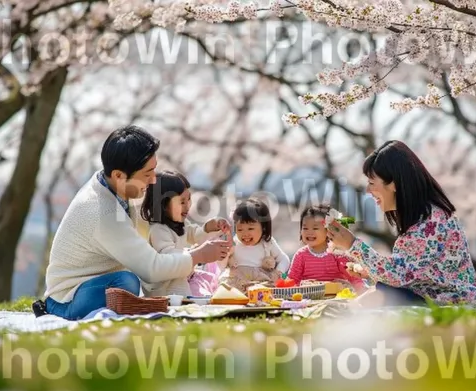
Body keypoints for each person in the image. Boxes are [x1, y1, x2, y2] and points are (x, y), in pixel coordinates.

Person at [38, 125, 231, 320]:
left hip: (90, 286)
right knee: (126, 282)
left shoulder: (111, 184)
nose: (153, 180)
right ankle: (65, 313)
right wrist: (198, 255)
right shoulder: (103, 212)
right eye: (147, 174)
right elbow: (151, 269)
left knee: (128, 283)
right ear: (119, 175)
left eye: (154, 171)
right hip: (69, 297)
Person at [326, 140, 476, 306]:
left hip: (450, 302)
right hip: (433, 296)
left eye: (371, 183)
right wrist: (369, 271)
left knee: (370, 300)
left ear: (393, 184)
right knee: (370, 296)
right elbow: (410, 270)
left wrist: (352, 245)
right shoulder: (425, 215)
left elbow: (399, 275)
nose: (368, 191)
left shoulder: (430, 222)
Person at [138, 170, 230, 296]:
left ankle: (192, 297)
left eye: (189, 199)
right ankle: (185, 301)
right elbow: (169, 257)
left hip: (181, 276)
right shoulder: (158, 230)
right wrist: (196, 253)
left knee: (200, 279)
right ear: (163, 205)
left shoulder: (181, 223)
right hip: (164, 286)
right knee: (182, 283)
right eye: (182, 202)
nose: (188, 206)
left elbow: (195, 234)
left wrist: (210, 226)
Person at [287, 204, 366, 294]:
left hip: (336, 299)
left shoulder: (337, 253)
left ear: (328, 230)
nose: (309, 232)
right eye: (305, 228)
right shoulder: (301, 255)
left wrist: (363, 294)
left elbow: (355, 279)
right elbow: (292, 281)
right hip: (309, 300)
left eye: (315, 228)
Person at [219, 198, 291, 292]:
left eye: (250, 228)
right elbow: (221, 266)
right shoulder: (234, 243)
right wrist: (226, 254)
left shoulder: (267, 243)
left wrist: (279, 272)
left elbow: (284, 259)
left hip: (262, 285)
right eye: (240, 229)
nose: (245, 234)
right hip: (238, 287)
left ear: (263, 227)